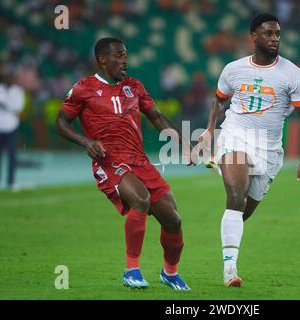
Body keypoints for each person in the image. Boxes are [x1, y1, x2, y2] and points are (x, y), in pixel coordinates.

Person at [55, 37, 195, 290]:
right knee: (140, 200)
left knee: (173, 219)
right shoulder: (83, 88)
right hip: (108, 160)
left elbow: (157, 116)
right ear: (102, 59)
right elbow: (61, 124)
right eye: (119, 55)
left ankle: (170, 273)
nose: (124, 60)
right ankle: (132, 270)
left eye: (125, 55)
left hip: (139, 159)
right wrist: (87, 142)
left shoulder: (134, 86)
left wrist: (184, 144)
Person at [198, 13, 300, 287]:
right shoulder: (233, 69)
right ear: (254, 36)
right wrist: (209, 129)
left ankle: (231, 232)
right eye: (268, 33)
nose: (274, 39)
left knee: (244, 210)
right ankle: (230, 269)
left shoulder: (292, 74)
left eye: (277, 34)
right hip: (235, 134)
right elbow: (219, 101)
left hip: (269, 149)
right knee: (235, 197)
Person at [0, 66, 25, 189]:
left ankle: (10, 181)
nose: (9, 78)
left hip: (11, 126)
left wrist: (4, 103)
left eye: (11, 76)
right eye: (7, 76)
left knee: (12, 155)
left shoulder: (18, 91)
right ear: (4, 77)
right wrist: (2, 104)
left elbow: (18, 108)